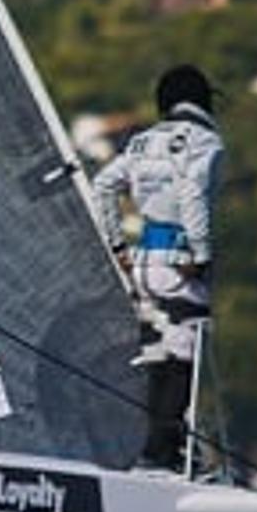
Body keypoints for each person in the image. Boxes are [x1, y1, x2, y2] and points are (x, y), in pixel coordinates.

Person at [91, 64, 223, 472]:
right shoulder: (206, 142)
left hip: (145, 260)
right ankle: (162, 457)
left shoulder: (142, 142)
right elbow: (192, 194)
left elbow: (103, 186)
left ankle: (155, 452)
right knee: (183, 360)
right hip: (179, 262)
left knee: (157, 357)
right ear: (203, 101)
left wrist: (117, 245)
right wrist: (200, 256)